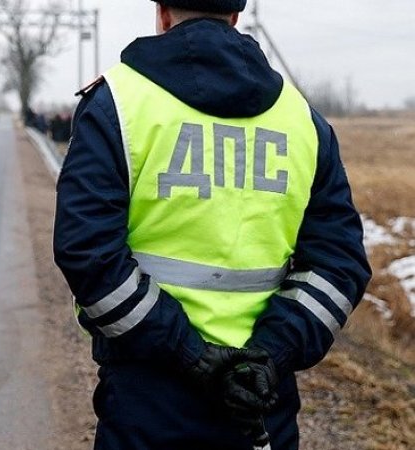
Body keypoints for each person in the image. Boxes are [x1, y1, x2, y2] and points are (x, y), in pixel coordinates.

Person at [53, 1, 371, 449]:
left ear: (162, 14)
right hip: (261, 400)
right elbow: (340, 265)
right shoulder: (302, 120)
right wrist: (270, 354)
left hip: (147, 400)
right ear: (236, 17)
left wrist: (191, 354)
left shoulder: (117, 105)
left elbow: (87, 255)